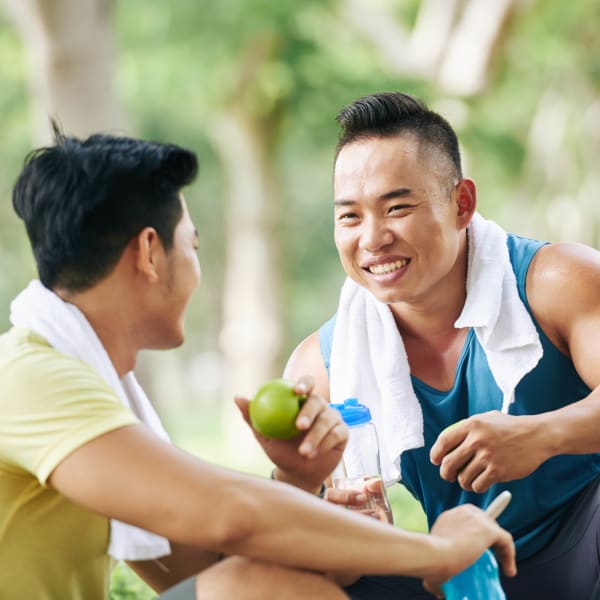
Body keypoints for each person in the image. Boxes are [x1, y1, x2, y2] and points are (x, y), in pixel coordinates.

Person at [0, 125, 515, 600]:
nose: (197, 267)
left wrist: (297, 477)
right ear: (150, 254)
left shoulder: (74, 383)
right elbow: (231, 517)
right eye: (193, 245)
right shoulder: (31, 378)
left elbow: (200, 568)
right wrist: (438, 552)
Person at [276, 91, 600, 599]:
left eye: (397, 207)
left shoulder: (559, 281)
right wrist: (344, 536)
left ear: (462, 203)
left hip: (582, 552)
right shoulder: (321, 365)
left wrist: (542, 434)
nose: (373, 238)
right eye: (350, 217)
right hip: (451, 574)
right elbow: (288, 540)